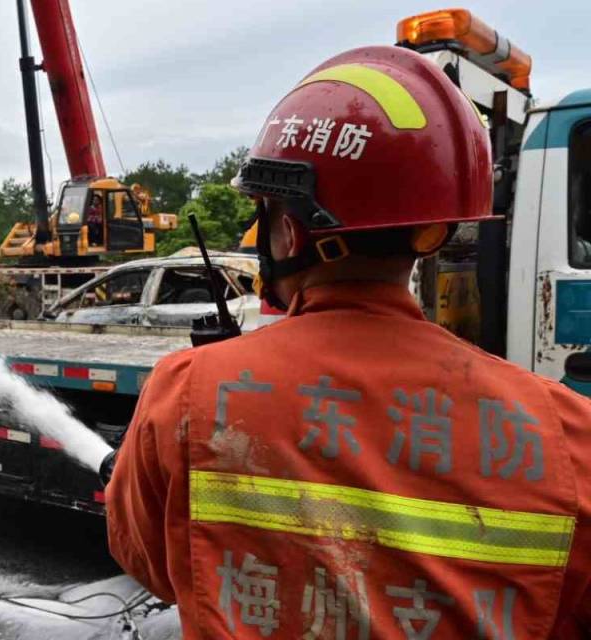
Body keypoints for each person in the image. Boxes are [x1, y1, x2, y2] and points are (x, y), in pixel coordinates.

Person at [105, 45, 591, 638]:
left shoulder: (184, 395)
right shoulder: (570, 435)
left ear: (288, 232)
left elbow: (155, 567)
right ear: (430, 232)